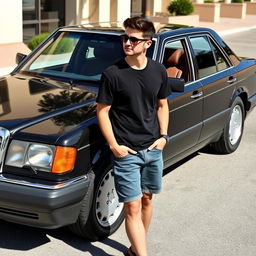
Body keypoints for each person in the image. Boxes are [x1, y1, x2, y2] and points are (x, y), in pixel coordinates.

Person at [96, 16, 170, 256]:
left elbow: (162, 105)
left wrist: (164, 137)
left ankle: (135, 249)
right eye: (124, 37)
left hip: (153, 149)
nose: (127, 42)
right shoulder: (113, 73)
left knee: (147, 200)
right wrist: (114, 146)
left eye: (133, 39)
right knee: (132, 206)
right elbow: (103, 112)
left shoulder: (158, 71)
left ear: (147, 43)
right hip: (126, 151)